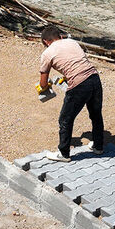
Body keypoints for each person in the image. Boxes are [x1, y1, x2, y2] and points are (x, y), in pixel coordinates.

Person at [38, 25, 105, 162]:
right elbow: (76, 63)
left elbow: (43, 83)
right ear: (60, 36)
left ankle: (63, 153)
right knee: (96, 114)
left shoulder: (47, 53)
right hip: (94, 78)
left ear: (46, 41)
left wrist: (44, 87)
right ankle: (98, 146)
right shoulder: (72, 42)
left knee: (65, 119)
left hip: (79, 85)